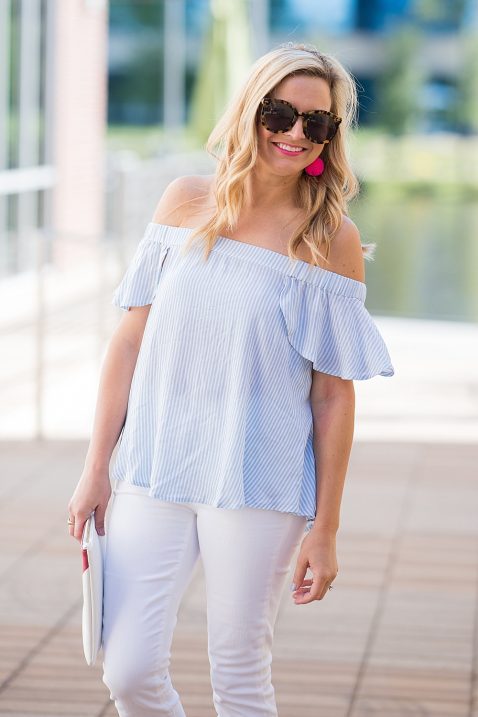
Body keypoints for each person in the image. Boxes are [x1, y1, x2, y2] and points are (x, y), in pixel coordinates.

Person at [68, 41, 394, 717]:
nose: (296, 132)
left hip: (258, 476)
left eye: (318, 122)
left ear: (332, 136)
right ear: (251, 110)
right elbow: (130, 340)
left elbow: (333, 394)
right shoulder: (185, 200)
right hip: (153, 464)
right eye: (281, 112)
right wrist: (96, 465)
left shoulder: (328, 234)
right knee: (126, 670)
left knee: (240, 676)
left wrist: (325, 528)